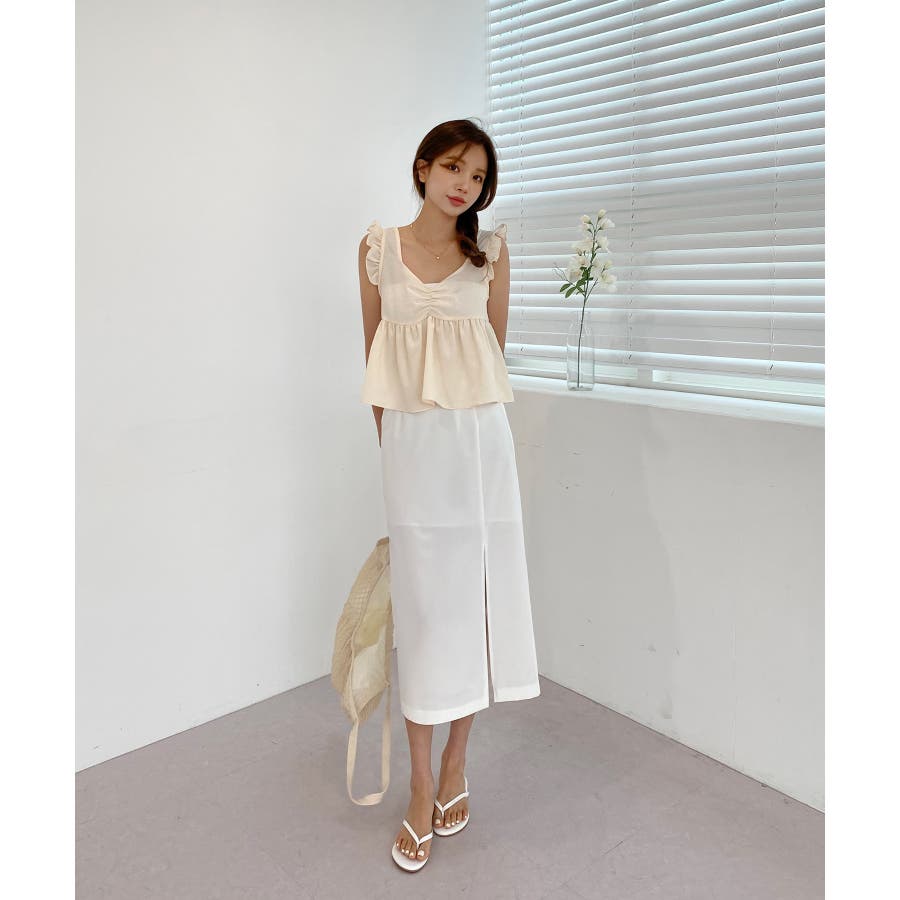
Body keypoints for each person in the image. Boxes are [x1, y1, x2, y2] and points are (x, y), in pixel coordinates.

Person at [358, 119, 541, 872]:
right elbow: (374, 358)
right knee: (426, 614)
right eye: (455, 167)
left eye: (479, 176)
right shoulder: (378, 249)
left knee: (473, 606)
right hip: (413, 450)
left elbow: (490, 357)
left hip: (479, 450)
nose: (466, 184)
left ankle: (453, 764)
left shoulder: (490, 253)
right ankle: (418, 783)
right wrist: (396, 449)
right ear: (424, 168)